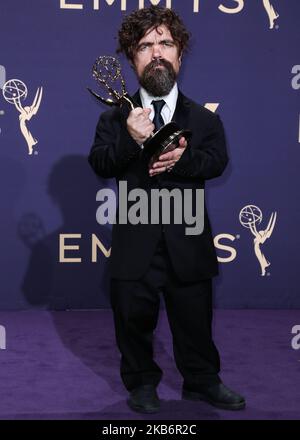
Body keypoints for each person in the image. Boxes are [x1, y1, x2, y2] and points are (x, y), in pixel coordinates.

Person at [88, 5, 245, 414]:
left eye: (165, 43)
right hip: (134, 241)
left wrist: (182, 161)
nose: (156, 52)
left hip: (188, 238)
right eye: (145, 45)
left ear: (179, 53)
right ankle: (141, 383)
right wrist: (130, 139)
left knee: (195, 322)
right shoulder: (115, 117)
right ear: (131, 56)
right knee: (132, 322)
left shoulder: (203, 119)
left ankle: (202, 382)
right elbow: (100, 162)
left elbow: (217, 162)